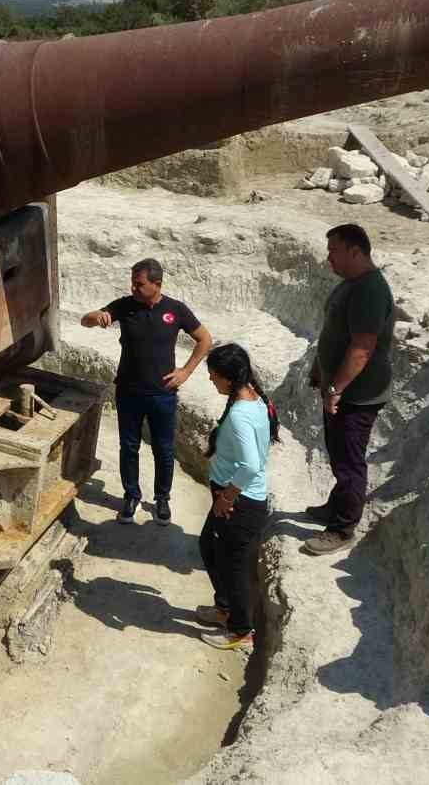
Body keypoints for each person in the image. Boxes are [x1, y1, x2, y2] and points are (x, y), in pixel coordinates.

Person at [81, 258, 212, 526]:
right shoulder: (124, 306)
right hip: (128, 392)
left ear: (157, 284)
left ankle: (162, 498)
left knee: (163, 449)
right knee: (129, 447)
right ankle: (131, 495)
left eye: (139, 284)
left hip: (162, 394)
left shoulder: (175, 310)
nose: (133, 288)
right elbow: (86, 321)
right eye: (132, 282)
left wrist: (185, 371)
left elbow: (204, 339)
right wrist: (96, 317)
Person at [304, 223, 395, 556]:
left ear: (355, 251)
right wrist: (320, 369)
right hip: (340, 388)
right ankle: (336, 506)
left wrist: (337, 388)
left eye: (334, 251)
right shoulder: (350, 285)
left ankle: (343, 528)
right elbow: (333, 331)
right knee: (338, 450)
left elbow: (362, 348)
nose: (329, 258)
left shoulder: (370, 290)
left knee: (349, 460)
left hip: (358, 394)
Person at [195, 343, 279, 650]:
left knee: (235, 568)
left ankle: (241, 631)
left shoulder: (242, 413)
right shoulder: (254, 397)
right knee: (209, 547)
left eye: (213, 375)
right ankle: (225, 609)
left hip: (239, 504)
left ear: (228, 378)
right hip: (238, 500)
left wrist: (227, 497)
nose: (211, 381)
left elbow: (251, 465)